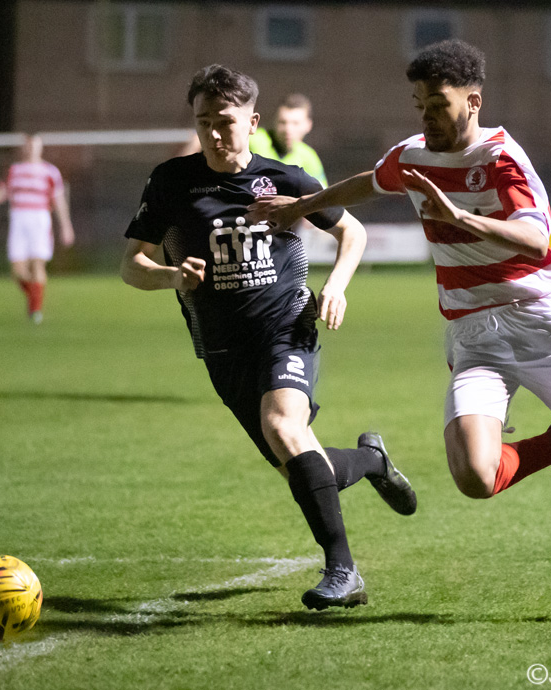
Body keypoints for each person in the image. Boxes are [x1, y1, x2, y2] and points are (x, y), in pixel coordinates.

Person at [247, 39, 551, 623]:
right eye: (418, 104)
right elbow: (372, 180)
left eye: (438, 104)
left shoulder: (504, 159)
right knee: (474, 477)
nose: (426, 117)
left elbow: (537, 239)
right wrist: (301, 206)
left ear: (473, 101)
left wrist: (460, 217)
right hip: (473, 335)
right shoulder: (414, 154)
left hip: (541, 324)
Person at [121, 64, 416, 611]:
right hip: (221, 347)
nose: (212, 133)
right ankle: (372, 462)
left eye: (224, 121)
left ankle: (343, 572)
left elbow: (352, 229)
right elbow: (131, 265)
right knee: (295, 463)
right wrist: (168, 276)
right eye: (203, 121)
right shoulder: (170, 182)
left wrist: (338, 286)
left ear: (251, 122)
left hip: (287, 327)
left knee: (283, 426)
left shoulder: (284, 180)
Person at [0, 134, 74, 324]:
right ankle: (35, 297)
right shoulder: (14, 170)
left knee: (37, 265)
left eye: (35, 145)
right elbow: (0, 196)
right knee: (17, 270)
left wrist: (66, 226)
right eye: (29, 145)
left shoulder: (50, 172)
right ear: (25, 147)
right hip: (18, 220)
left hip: (40, 220)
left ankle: (36, 310)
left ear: (40, 147)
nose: (32, 149)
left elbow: (59, 201)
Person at [176, 93, 327, 186]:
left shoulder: (309, 157)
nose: (288, 129)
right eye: (283, 122)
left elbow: (321, 197)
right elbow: (198, 140)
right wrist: (182, 178)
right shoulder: (256, 138)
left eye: (295, 123)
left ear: (308, 125)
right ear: (275, 122)